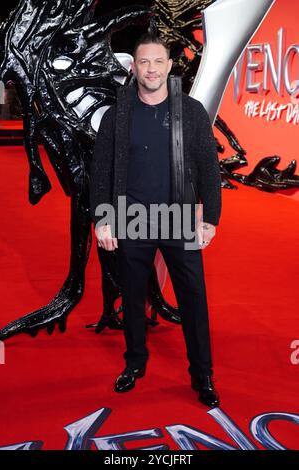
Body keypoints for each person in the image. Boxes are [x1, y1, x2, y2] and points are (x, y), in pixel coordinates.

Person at [89, 33, 222, 408]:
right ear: (134, 67)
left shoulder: (191, 112)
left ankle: (203, 374)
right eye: (143, 62)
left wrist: (209, 218)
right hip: (131, 218)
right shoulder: (117, 115)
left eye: (157, 62)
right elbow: (101, 171)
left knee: (194, 299)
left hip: (179, 218)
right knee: (132, 298)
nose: (151, 69)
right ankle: (134, 363)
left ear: (169, 66)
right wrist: (103, 220)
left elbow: (209, 169)